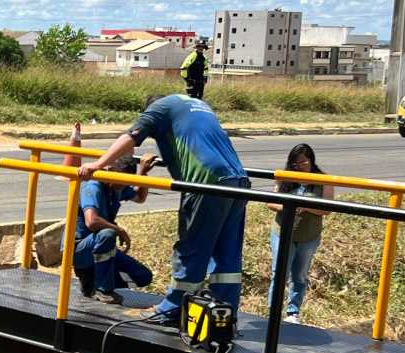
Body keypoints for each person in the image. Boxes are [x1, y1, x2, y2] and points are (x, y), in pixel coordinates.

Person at [79, 94, 250, 326]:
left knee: (192, 248)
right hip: (238, 179)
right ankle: (223, 314)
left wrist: (97, 165)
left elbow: (130, 137)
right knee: (226, 253)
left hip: (206, 181)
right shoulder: (197, 106)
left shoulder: (159, 108)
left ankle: (172, 309)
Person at [71, 154, 157, 304]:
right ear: (110, 170)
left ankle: (94, 280)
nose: (122, 187)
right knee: (108, 233)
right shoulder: (93, 187)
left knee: (143, 276)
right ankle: (100, 288)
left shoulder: (116, 186)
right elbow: (92, 221)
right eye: (121, 182)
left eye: (126, 183)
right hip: (80, 249)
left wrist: (143, 173)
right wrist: (120, 230)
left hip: (101, 246)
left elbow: (139, 197)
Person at [266, 144, 332, 324]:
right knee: (279, 273)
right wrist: (289, 207)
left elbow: (327, 209)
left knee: (300, 275)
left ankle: (293, 312)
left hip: (309, 237)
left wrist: (306, 205)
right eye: (296, 164)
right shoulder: (285, 176)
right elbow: (271, 203)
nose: (301, 167)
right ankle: (273, 312)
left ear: (311, 160)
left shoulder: (323, 179)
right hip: (282, 233)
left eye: (304, 162)